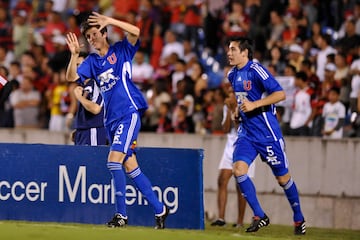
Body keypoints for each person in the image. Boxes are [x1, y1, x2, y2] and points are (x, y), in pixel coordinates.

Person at [65, 12, 169, 229]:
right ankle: (160, 208)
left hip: (128, 114)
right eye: (88, 36)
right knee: (131, 167)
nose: (91, 39)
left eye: (94, 34)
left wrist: (110, 21)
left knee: (113, 162)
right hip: (110, 121)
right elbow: (70, 78)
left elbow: (136, 32)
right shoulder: (92, 61)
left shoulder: (120, 50)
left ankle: (121, 215)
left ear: (104, 33)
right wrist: (74, 55)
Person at [226, 37, 306, 235]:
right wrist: (237, 110)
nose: (229, 53)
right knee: (238, 170)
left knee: (282, 179)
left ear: (244, 53)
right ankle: (260, 215)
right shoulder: (232, 74)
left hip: (267, 133)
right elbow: (242, 98)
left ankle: (298, 218)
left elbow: (280, 94)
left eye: (233, 49)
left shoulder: (256, 70)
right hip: (247, 133)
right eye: (228, 49)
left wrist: (254, 105)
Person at [211, 85, 255, 228]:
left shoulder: (245, 106)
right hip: (230, 145)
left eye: (232, 93)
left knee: (240, 184)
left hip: (245, 145)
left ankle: (240, 221)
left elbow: (240, 128)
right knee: (222, 179)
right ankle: (221, 217)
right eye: (229, 93)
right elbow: (225, 129)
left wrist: (234, 110)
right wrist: (230, 110)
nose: (229, 96)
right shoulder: (228, 107)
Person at [69, 52, 108, 146]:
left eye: (80, 65)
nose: (78, 68)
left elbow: (95, 109)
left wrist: (79, 97)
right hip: (84, 131)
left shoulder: (96, 83)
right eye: (76, 65)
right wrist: (79, 128)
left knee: (92, 160)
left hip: (93, 130)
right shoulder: (84, 85)